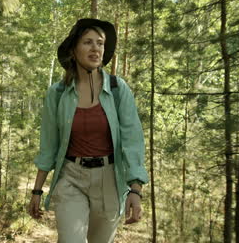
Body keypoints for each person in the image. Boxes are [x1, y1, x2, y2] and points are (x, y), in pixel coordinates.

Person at [27, 18, 149, 243]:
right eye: (88, 42)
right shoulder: (58, 93)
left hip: (109, 179)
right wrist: (36, 190)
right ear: (73, 50)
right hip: (71, 177)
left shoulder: (117, 89)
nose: (96, 48)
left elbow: (133, 141)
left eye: (100, 43)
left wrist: (135, 189)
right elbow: (49, 145)